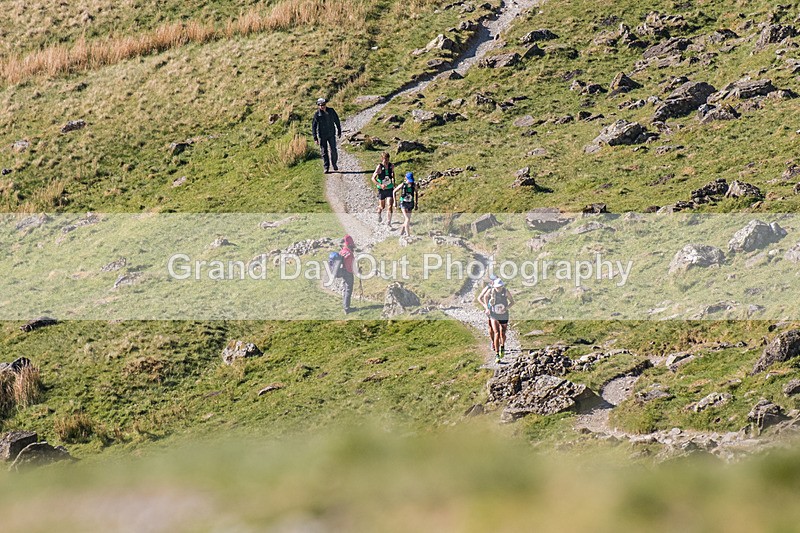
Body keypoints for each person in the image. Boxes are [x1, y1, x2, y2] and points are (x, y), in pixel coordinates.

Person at [479, 278, 514, 362]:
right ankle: (497, 354)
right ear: (494, 286)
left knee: (503, 333)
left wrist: (506, 308)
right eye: (497, 287)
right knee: (496, 332)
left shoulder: (505, 292)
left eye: (500, 287)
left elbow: (512, 302)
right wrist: (487, 308)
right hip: (493, 314)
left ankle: (502, 346)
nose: (498, 289)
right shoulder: (490, 291)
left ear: (502, 286)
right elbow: (483, 297)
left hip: (503, 315)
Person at [311, 97, 341, 173]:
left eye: (323, 104)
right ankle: (326, 167)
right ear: (318, 106)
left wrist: (339, 131)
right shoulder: (317, 114)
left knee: (333, 150)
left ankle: (334, 164)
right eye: (320, 105)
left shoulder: (331, 111)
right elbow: (313, 126)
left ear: (325, 104)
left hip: (331, 133)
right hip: (322, 135)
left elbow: (337, 120)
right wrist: (315, 138)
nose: (322, 106)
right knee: (324, 152)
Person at [371, 152, 395, 226]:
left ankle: (389, 221)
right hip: (382, 190)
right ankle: (379, 213)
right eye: (384, 159)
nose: (386, 161)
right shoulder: (379, 167)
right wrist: (380, 185)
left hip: (390, 188)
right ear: (382, 159)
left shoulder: (391, 166)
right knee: (382, 206)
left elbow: (393, 174)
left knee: (390, 205)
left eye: (387, 159)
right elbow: (373, 178)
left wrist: (394, 181)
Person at [394, 171, 418, 236]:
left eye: (411, 180)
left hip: (410, 203)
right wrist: (395, 202)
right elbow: (394, 191)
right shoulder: (403, 185)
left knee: (408, 220)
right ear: (406, 179)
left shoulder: (414, 185)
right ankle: (408, 235)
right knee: (407, 218)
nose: (410, 182)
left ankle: (401, 231)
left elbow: (416, 193)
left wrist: (416, 204)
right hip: (403, 203)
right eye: (409, 180)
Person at [339, 235, 356, 314]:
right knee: (349, 290)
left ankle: (345, 306)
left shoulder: (343, 251)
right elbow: (350, 266)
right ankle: (347, 308)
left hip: (343, 272)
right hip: (348, 273)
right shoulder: (349, 253)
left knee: (346, 289)